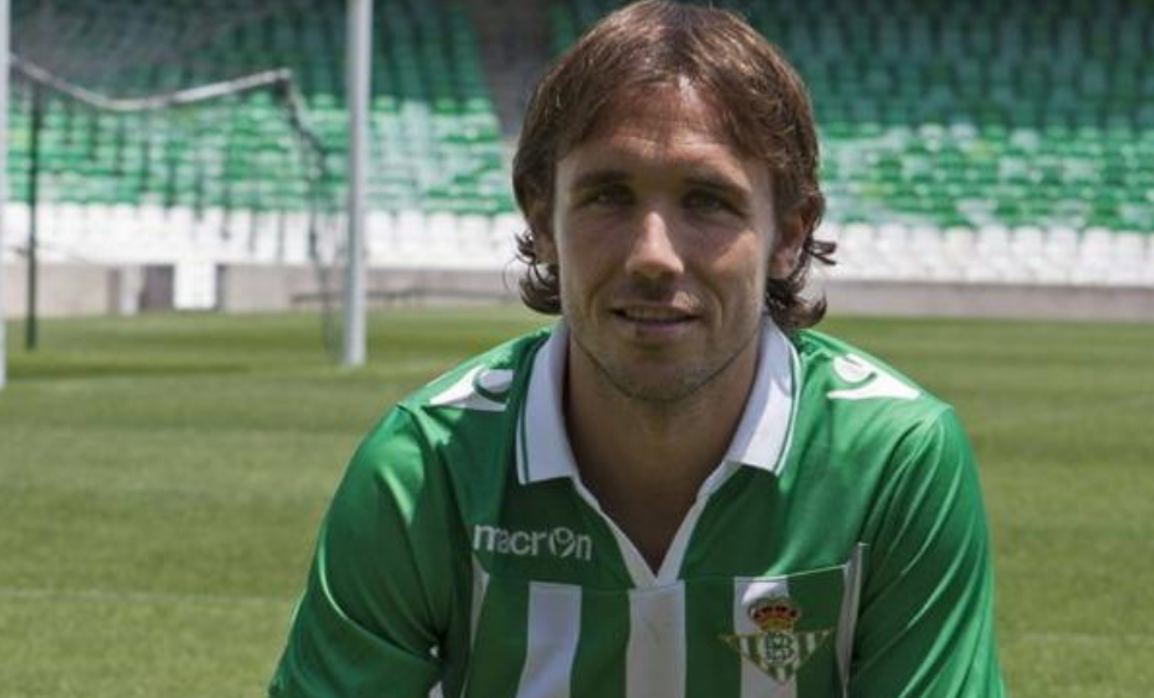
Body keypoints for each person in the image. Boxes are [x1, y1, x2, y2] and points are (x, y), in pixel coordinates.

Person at [268, 2, 1007, 696]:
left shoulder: (893, 459)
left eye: (707, 201)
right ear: (543, 219)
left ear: (787, 233)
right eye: (608, 197)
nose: (653, 256)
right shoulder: (426, 466)